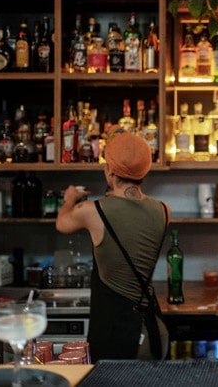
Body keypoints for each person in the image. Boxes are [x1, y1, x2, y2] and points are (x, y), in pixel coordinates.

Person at [56, 126, 171, 362]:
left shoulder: (92, 211)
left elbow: (62, 224)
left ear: (109, 171)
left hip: (114, 335)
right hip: (151, 332)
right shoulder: (164, 210)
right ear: (145, 171)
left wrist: (69, 200)